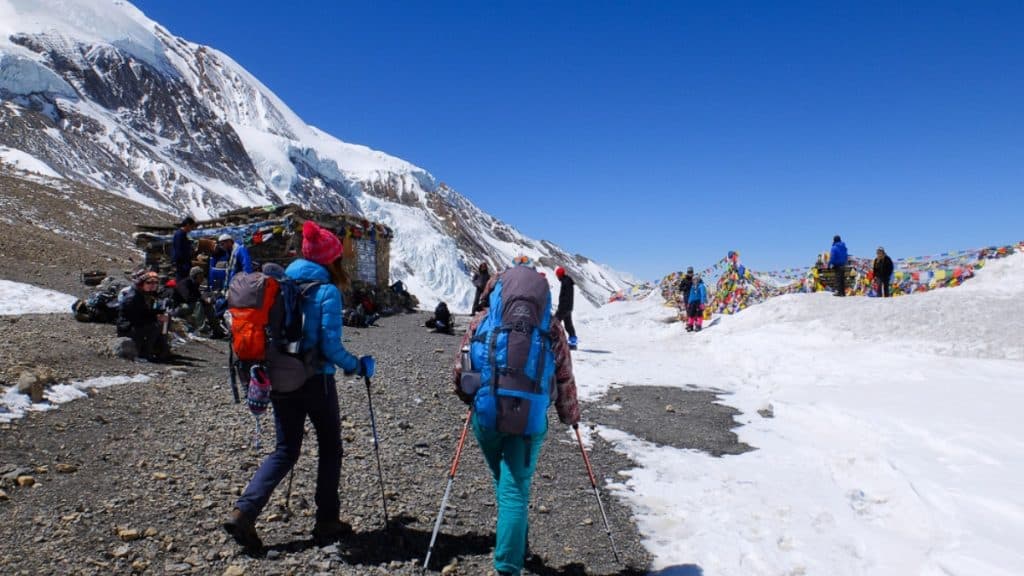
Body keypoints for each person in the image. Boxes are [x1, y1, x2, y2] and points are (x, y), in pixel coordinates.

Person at [224, 220, 376, 550]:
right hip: (315, 381)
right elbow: (331, 348)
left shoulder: (280, 284)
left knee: (286, 449)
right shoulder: (326, 292)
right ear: (330, 259)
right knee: (330, 447)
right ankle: (326, 521)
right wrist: (359, 366)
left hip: (279, 377)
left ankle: (245, 511)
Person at [453, 260, 580, 576]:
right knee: (515, 489)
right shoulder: (550, 327)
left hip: (488, 415)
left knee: (506, 482)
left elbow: (461, 368)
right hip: (530, 420)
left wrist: (469, 397)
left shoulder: (482, 321)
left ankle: (516, 548)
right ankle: (509, 565)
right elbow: (564, 377)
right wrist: (570, 416)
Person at [116, 270, 171, 361]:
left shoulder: (146, 294)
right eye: (149, 282)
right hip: (129, 326)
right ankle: (146, 353)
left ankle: (159, 350)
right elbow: (137, 316)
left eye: (156, 282)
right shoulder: (133, 297)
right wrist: (155, 317)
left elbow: (146, 312)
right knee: (155, 326)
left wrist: (159, 313)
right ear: (142, 283)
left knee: (164, 321)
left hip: (138, 322)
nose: (153, 285)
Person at [555, 266, 577, 349]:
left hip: (564, 308)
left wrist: (561, 308)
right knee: (568, 325)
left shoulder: (565, 282)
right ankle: (573, 343)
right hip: (569, 307)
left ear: (559, 275)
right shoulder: (568, 281)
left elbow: (565, 297)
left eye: (557, 275)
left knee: (554, 324)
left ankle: (553, 341)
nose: (557, 277)